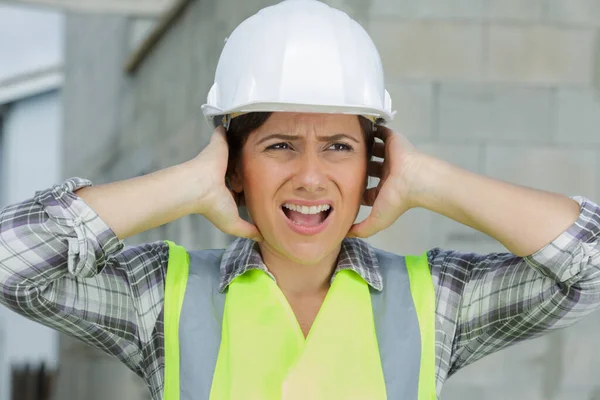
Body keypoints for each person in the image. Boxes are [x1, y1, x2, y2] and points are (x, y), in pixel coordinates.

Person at [1, 1, 599, 399]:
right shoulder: (160, 295)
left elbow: (589, 265)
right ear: (235, 166)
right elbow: (10, 262)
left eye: (339, 147)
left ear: (375, 163)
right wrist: (187, 183)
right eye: (281, 146)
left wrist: (431, 181)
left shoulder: (437, 299)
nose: (311, 178)